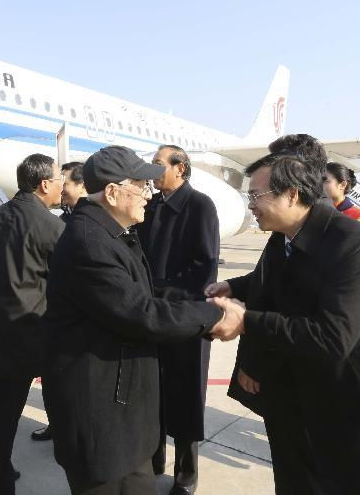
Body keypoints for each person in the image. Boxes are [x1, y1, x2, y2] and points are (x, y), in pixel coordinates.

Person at [205, 152, 360, 495]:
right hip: (331, 411)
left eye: (256, 196)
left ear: (291, 194)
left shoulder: (353, 243)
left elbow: (333, 337)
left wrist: (246, 321)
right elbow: (279, 281)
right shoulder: (284, 239)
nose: (251, 206)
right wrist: (236, 287)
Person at [43, 145, 244, 495]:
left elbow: (149, 295)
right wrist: (212, 315)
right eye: (140, 186)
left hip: (124, 414)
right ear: (112, 192)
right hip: (101, 418)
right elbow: (141, 311)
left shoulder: (113, 234)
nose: (148, 196)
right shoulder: (90, 243)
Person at [0, 153, 64, 494]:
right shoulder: (51, 227)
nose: (62, 186)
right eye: (59, 180)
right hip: (22, 335)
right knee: (7, 413)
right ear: (44, 183)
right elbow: (65, 285)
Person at [136, 145, 219, 495]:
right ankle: (154, 459)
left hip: (183, 317)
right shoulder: (150, 206)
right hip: (150, 315)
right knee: (152, 391)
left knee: (185, 396)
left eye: (158, 165)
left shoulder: (199, 206)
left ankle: (186, 473)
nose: (153, 172)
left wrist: (161, 293)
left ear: (180, 168)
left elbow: (205, 266)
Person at [30, 160, 87, 443]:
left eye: (66, 182)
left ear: (83, 186)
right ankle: (56, 425)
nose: (61, 188)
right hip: (54, 315)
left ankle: (77, 430)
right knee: (53, 378)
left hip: (80, 318)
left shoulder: (95, 223)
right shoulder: (59, 222)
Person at [324, 161, 360, 226]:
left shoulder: (358, 216)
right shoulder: (315, 209)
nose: (320, 184)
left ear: (342, 185)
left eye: (326, 181)